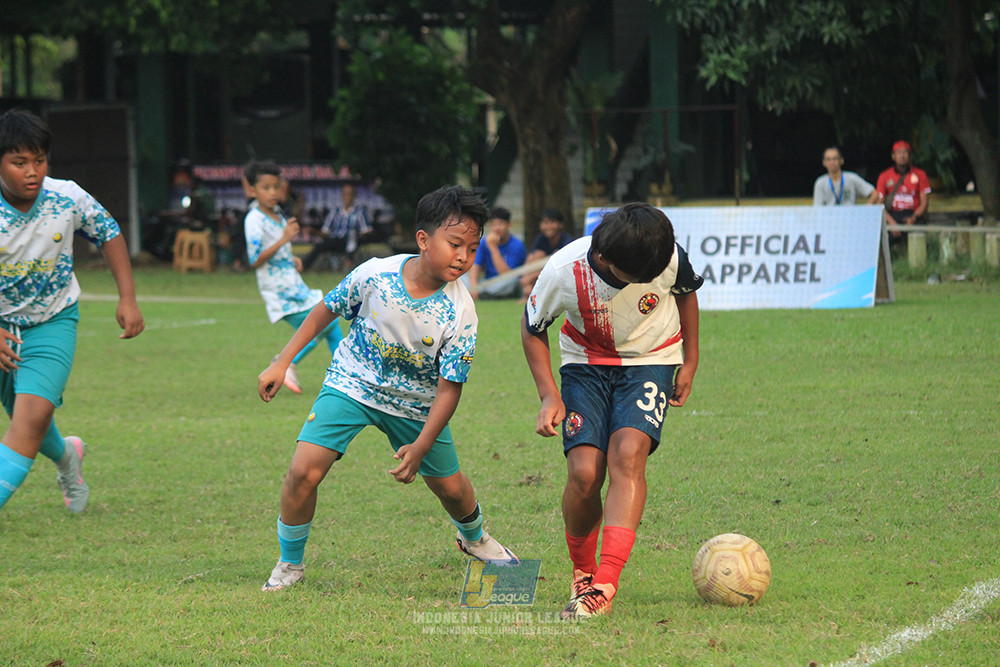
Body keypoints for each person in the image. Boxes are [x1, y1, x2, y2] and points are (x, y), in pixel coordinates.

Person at [257, 185, 518, 592]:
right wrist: (282, 360)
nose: (464, 257)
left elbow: (450, 389)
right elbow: (326, 308)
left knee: (451, 487)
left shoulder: (462, 312)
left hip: (416, 406)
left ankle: (475, 537)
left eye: (472, 248)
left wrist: (421, 446)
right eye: (454, 245)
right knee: (302, 472)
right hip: (352, 383)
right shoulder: (376, 273)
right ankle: (290, 564)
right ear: (423, 239)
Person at [521, 202, 703, 619]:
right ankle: (582, 570)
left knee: (627, 456)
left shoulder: (665, 255)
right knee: (585, 473)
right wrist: (549, 394)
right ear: (605, 259)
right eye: (637, 278)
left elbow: (686, 293)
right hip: (585, 363)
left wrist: (689, 360)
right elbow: (532, 328)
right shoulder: (563, 270)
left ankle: (605, 581)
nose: (648, 282)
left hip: (650, 360)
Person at [0, 108, 145, 512]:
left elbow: (109, 231)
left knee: (30, 419)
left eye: (40, 160)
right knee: (27, 418)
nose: (32, 171)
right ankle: (67, 456)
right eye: (18, 162)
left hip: (51, 320)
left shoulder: (67, 196)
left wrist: (127, 298)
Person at [243, 160, 343, 394]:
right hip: (279, 289)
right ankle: (285, 363)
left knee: (330, 322)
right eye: (265, 188)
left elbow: (277, 253)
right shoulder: (254, 219)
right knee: (322, 325)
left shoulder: (277, 214)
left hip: (293, 283)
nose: (272, 193)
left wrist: (291, 259)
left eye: (275, 187)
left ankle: (345, 376)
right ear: (252, 190)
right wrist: (284, 240)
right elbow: (254, 259)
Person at [300, 182, 371, 271]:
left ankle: (348, 262)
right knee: (319, 246)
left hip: (351, 240)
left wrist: (363, 235)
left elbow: (366, 230)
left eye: (350, 194)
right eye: (345, 194)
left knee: (352, 234)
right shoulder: (335, 212)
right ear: (342, 196)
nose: (347, 197)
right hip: (335, 240)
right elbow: (325, 232)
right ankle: (303, 267)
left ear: (354, 196)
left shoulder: (359, 212)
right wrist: (313, 231)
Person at [467, 206, 527, 299]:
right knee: (462, 275)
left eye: (500, 224)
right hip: (486, 282)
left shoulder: (517, 245)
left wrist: (493, 247)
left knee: (512, 280)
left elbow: (507, 275)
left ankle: (482, 294)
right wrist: (474, 287)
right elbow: (475, 265)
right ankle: (480, 293)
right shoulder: (483, 242)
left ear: (508, 225)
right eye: (494, 225)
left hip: (504, 283)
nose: (497, 228)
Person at [875, 140, 931, 239]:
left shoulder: (920, 174)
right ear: (893, 156)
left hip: (914, 214)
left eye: (905, 152)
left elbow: (924, 202)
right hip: (893, 215)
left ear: (909, 156)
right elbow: (879, 204)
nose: (902, 156)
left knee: (919, 237)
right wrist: (892, 223)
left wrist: (914, 218)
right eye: (899, 152)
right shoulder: (884, 176)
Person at [519, 207, 574, 299]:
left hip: (563, 276)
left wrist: (531, 277)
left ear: (560, 225)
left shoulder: (567, 241)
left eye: (552, 222)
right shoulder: (541, 239)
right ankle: (527, 293)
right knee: (537, 255)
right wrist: (526, 278)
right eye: (545, 223)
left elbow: (561, 267)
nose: (548, 226)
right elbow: (531, 259)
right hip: (542, 274)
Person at [813, 147, 879, 206]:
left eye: (834, 159)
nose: (832, 162)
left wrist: (866, 209)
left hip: (850, 217)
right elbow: (818, 207)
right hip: (830, 217)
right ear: (824, 163)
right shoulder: (820, 182)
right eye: (828, 159)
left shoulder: (851, 178)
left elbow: (874, 194)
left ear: (841, 161)